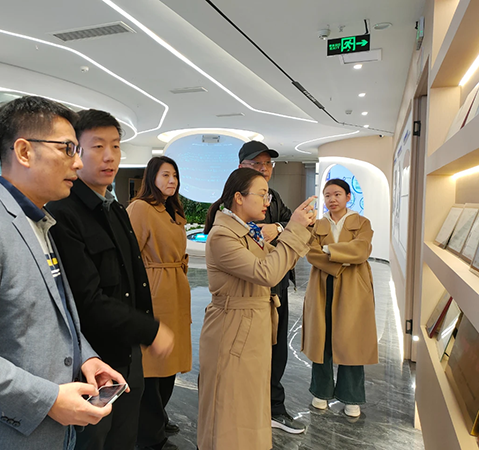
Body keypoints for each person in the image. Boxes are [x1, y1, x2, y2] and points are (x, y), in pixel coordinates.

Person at [0, 96, 126, 450]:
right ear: (25, 152)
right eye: (68, 149)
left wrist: (87, 357)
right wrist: (48, 400)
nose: (78, 163)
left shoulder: (38, 221)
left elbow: (51, 317)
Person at [47, 109, 175, 450]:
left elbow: (135, 280)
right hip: (91, 362)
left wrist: (143, 332)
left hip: (127, 356)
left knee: (124, 438)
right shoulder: (62, 213)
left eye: (116, 146)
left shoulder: (115, 209)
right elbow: (85, 299)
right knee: (93, 441)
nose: (110, 156)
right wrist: (150, 330)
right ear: (75, 151)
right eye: (98, 146)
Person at [197, 168, 315, 450]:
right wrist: (293, 229)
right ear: (239, 197)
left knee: (249, 404)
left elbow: (276, 261)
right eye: (262, 195)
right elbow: (267, 273)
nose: (267, 201)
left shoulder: (247, 232)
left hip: (250, 326)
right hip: (233, 330)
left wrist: (295, 231)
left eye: (268, 195)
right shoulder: (223, 235)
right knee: (230, 407)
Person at [238, 140, 303, 433]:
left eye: (267, 164)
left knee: (278, 351)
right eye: (257, 163)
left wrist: (276, 228)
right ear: (242, 167)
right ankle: (252, 411)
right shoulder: (233, 201)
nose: (264, 169)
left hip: (277, 285)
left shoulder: (274, 197)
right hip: (251, 290)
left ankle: (274, 408)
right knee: (253, 352)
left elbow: (290, 223)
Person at [126, 156, 191, 450]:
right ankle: (150, 436)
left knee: (169, 363)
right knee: (152, 366)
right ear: (151, 177)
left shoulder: (173, 211)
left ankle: (158, 418)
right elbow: (130, 256)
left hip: (175, 289)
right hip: (154, 292)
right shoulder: (141, 208)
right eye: (165, 175)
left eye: (174, 175)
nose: (172, 180)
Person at [303, 178, 378, 418]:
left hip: (354, 287)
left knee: (351, 340)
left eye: (337, 194)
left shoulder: (362, 223)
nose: (332, 199)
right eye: (327, 195)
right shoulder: (317, 224)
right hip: (322, 285)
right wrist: (342, 260)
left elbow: (361, 250)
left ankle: (351, 396)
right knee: (321, 339)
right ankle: (320, 392)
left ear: (348, 197)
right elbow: (311, 253)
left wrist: (329, 250)